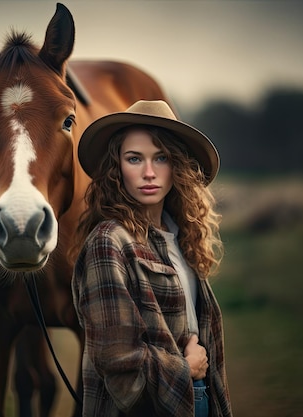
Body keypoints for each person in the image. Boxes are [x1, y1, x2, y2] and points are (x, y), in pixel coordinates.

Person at [71, 100, 233, 417]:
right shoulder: (109, 242)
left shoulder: (180, 235)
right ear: (116, 167)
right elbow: (117, 358)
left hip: (199, 400)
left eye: (161, 158)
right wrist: (184, 368)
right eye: (134, 159)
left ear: (177, 165)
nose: (149, 173)